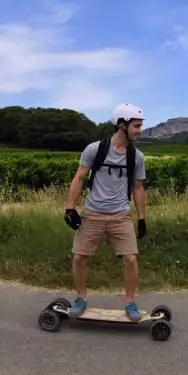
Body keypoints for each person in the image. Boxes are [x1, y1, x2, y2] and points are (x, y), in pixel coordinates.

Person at [62, 102, 148, 321]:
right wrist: (70, 208)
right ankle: (80, 298)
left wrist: (141, 219)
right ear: (121, 125)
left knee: (130, 259)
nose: (140, 130)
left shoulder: (136, 157)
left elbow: (138, 187)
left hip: (121, 215)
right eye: (136, 126)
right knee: (80, 257)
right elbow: (79, 177)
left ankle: (130, 302)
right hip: (93, 214)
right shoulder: (95, 149)